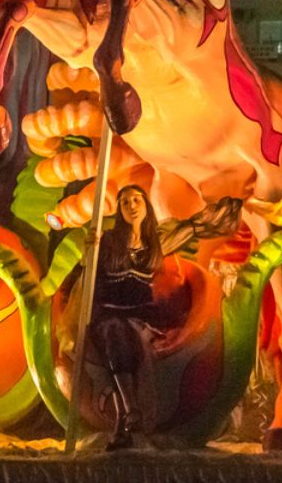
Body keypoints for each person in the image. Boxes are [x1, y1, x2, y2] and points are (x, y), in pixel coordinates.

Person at [90, 184, 165, 450]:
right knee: (116, 329)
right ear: (119, 210)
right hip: (109, 313)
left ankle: (123, 419)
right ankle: (132, 409)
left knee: (134, 331)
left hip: (142, 314)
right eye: (125, 202)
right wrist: (90, 251)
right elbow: (90, 278)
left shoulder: (156, 242)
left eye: (137, 200)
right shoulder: (108, 240)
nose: (132, 206)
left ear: (146, 205)